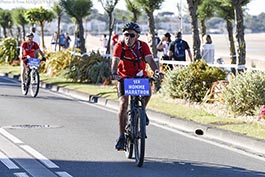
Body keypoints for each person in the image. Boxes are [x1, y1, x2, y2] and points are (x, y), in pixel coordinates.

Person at [111, 22, 160, 151]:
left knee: (148, 93)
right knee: (123, 103)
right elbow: (115, 61)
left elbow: (150, 60)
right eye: (126, 34)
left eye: (131, 35)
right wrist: (114, 73)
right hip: (124, 77)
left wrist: (156, 72)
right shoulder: (119, 46)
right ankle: (121, 136)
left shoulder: (143, 46)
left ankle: (141, 112)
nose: (128, 38)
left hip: (139, 77)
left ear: (137, 36)